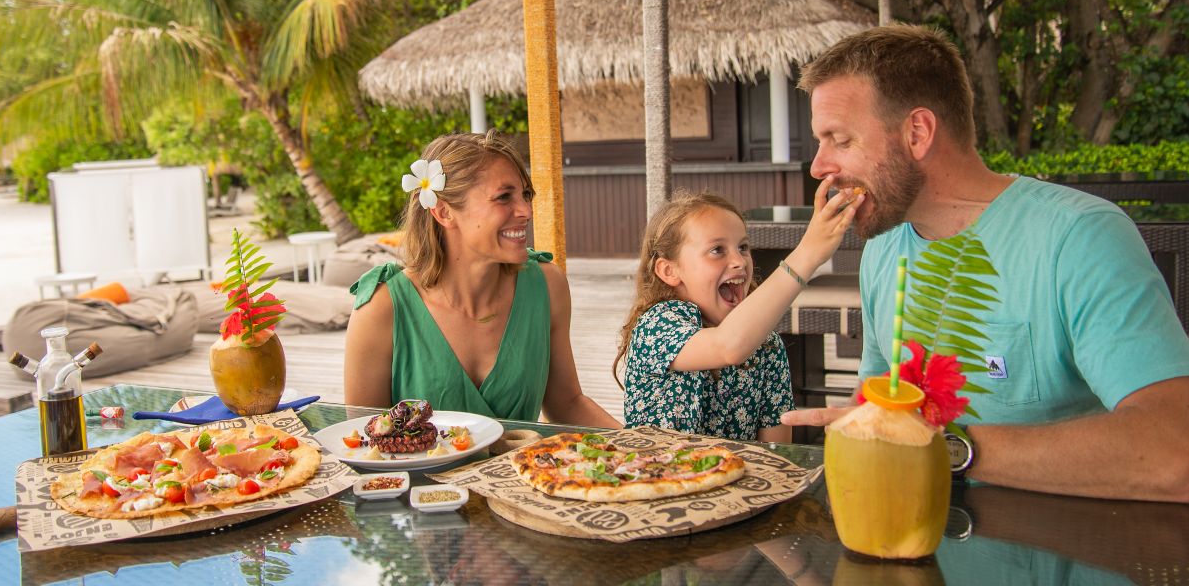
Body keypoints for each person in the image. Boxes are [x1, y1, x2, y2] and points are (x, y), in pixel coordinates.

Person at [781, 24, 1189, 502]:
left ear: (918, 133)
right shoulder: (884, 248)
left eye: (838, 139)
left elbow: (1177, 454)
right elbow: (877, 415)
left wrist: (948, 448)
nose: (818, 166)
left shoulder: (1079, 238)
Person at [345, 130, 618, 427]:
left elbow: (566, 403)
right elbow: (364, 436)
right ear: (444, 212)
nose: (525, 211)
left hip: (527, 473)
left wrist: (654, 447)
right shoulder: (382, 308)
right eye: (504, 197)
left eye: (525, 195)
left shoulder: (547, 285)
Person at [616, 184, 862, 442]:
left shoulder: (766, 345)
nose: (739, 261)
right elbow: (728, 346)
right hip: (659, 477)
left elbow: (776, 451)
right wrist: (806, 255)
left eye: (743, 247)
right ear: (669, 271)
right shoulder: (657, 325)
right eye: (717, 250)